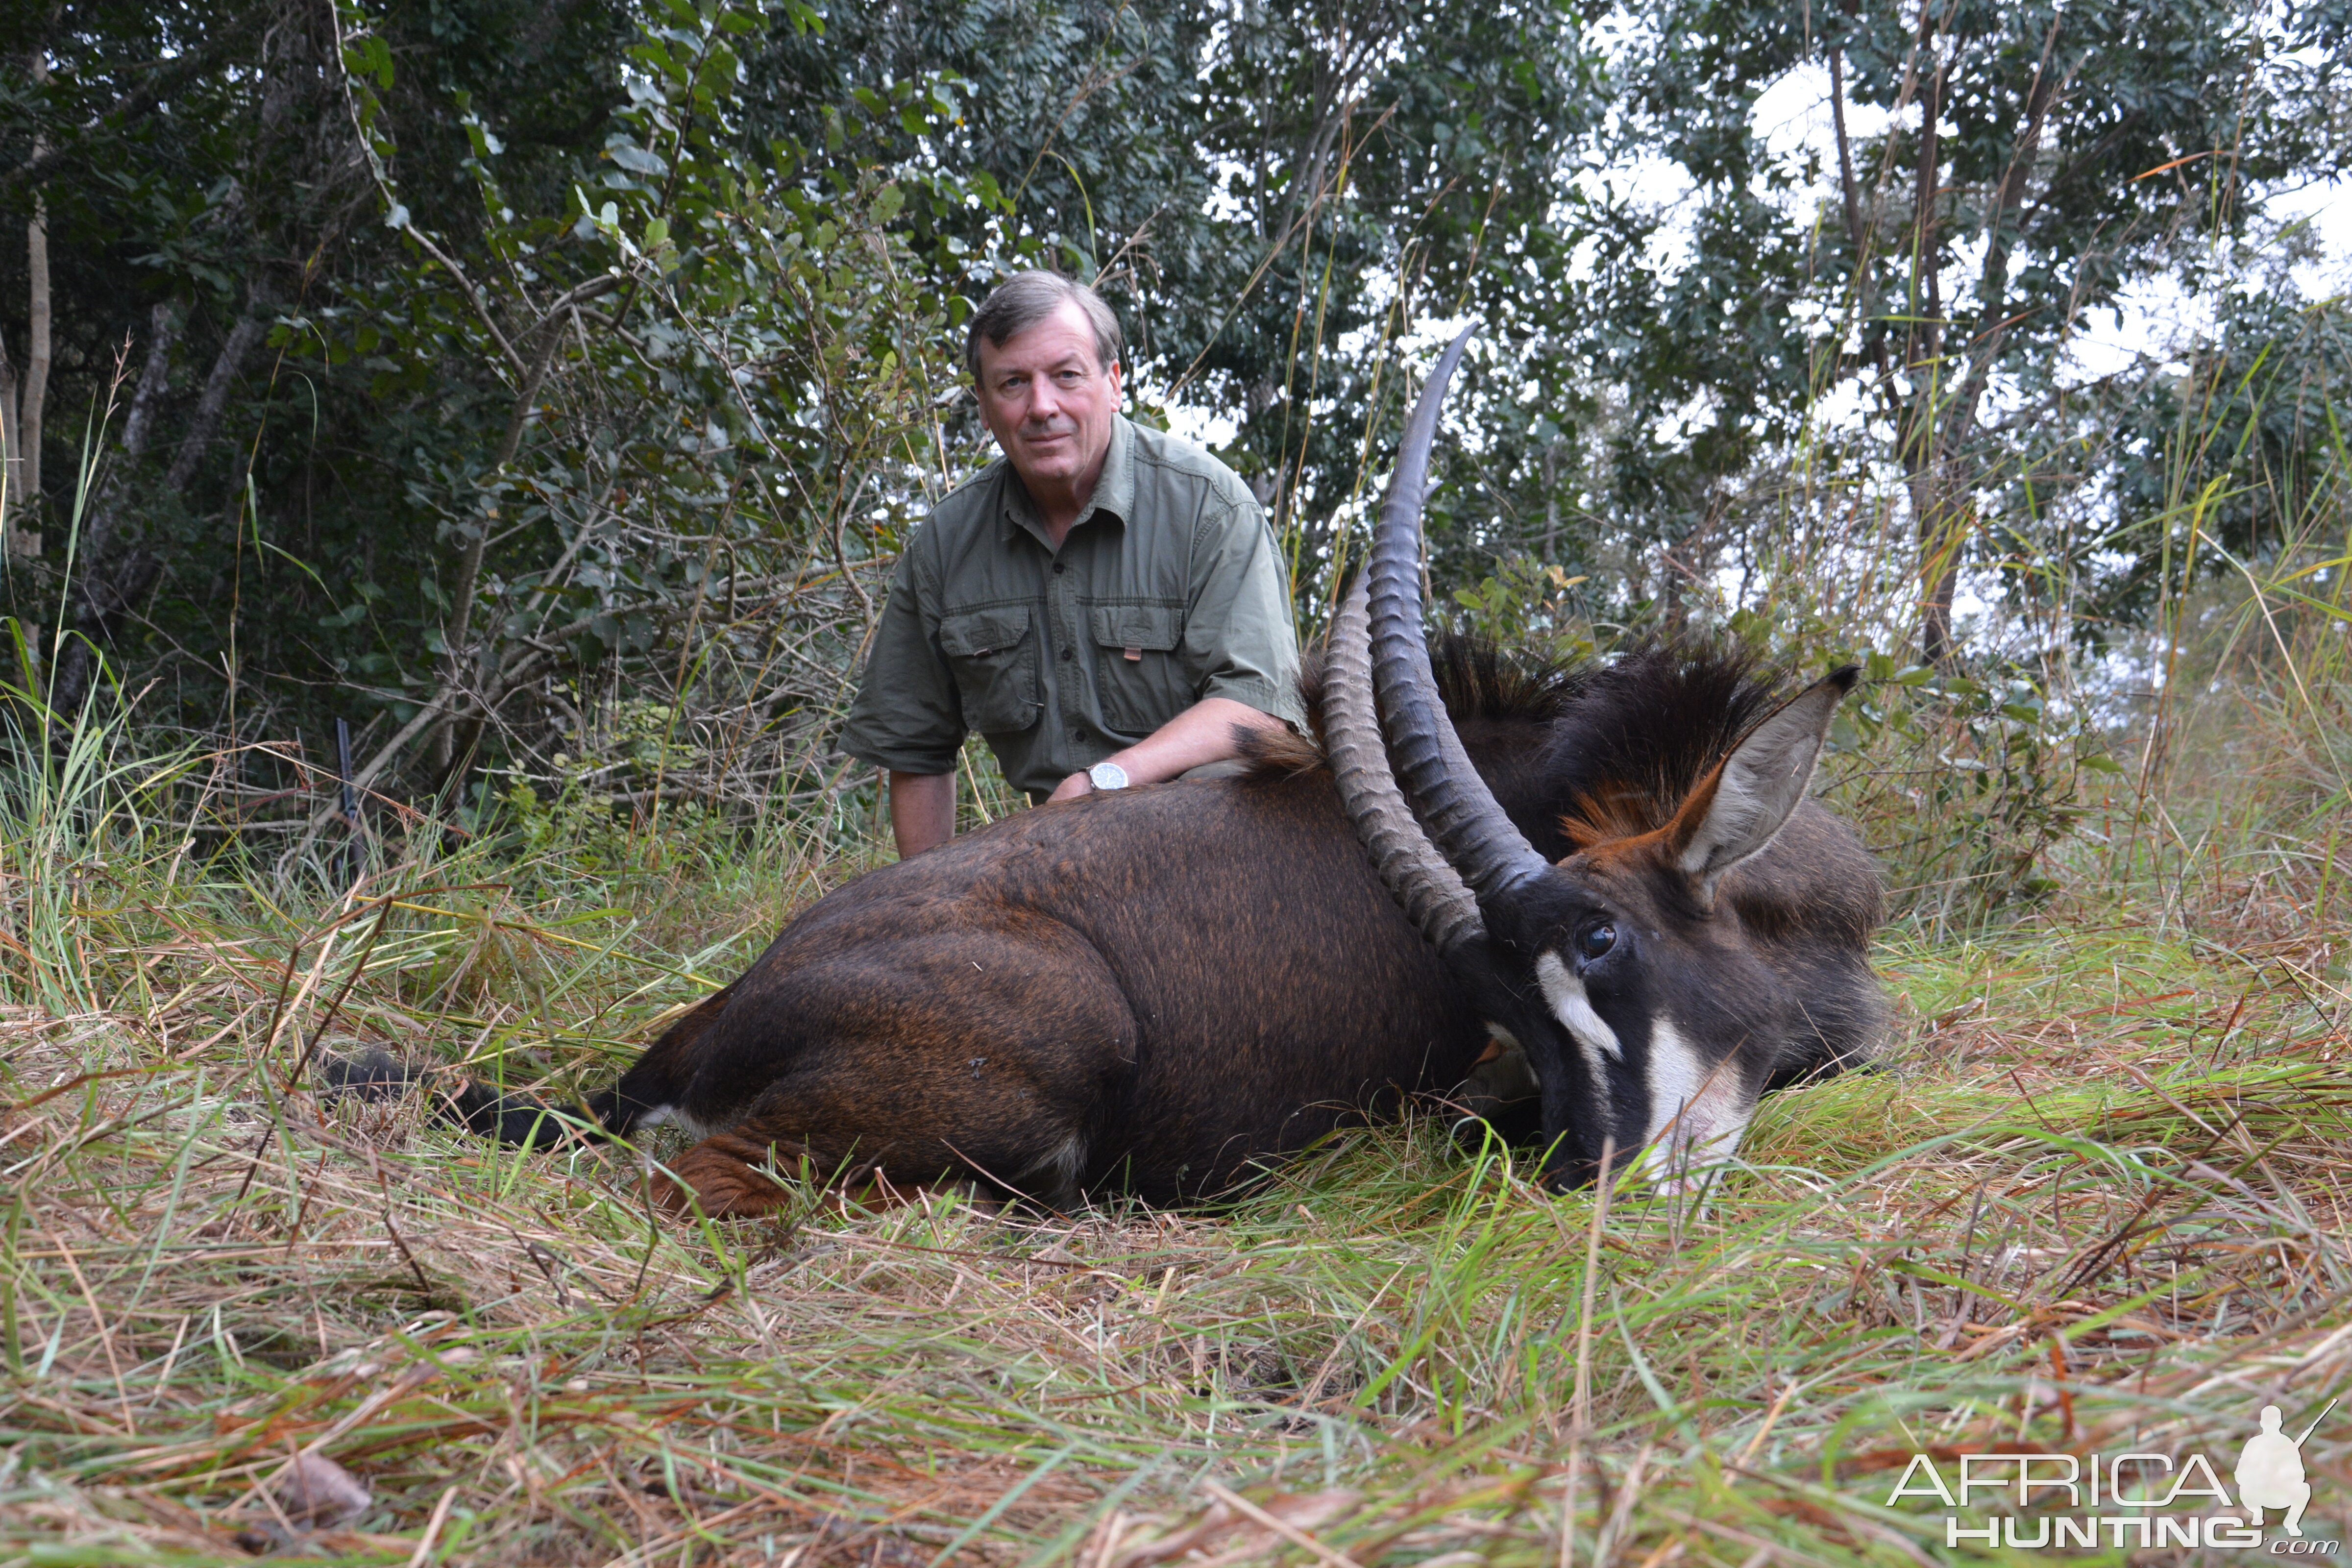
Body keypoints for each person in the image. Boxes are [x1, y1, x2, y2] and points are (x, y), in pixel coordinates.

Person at [840, 271, 1304, 858]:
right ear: (984, 406)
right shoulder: (945, 543)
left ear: (1112, 383)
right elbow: (914, 748)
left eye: (1066, 376)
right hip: (1059, 864)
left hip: (1222, 852)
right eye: (1013, 383)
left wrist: (1104, 780)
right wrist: (933, 905)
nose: (1042, 406)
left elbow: (1261, 707)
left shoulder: (1210, 508)